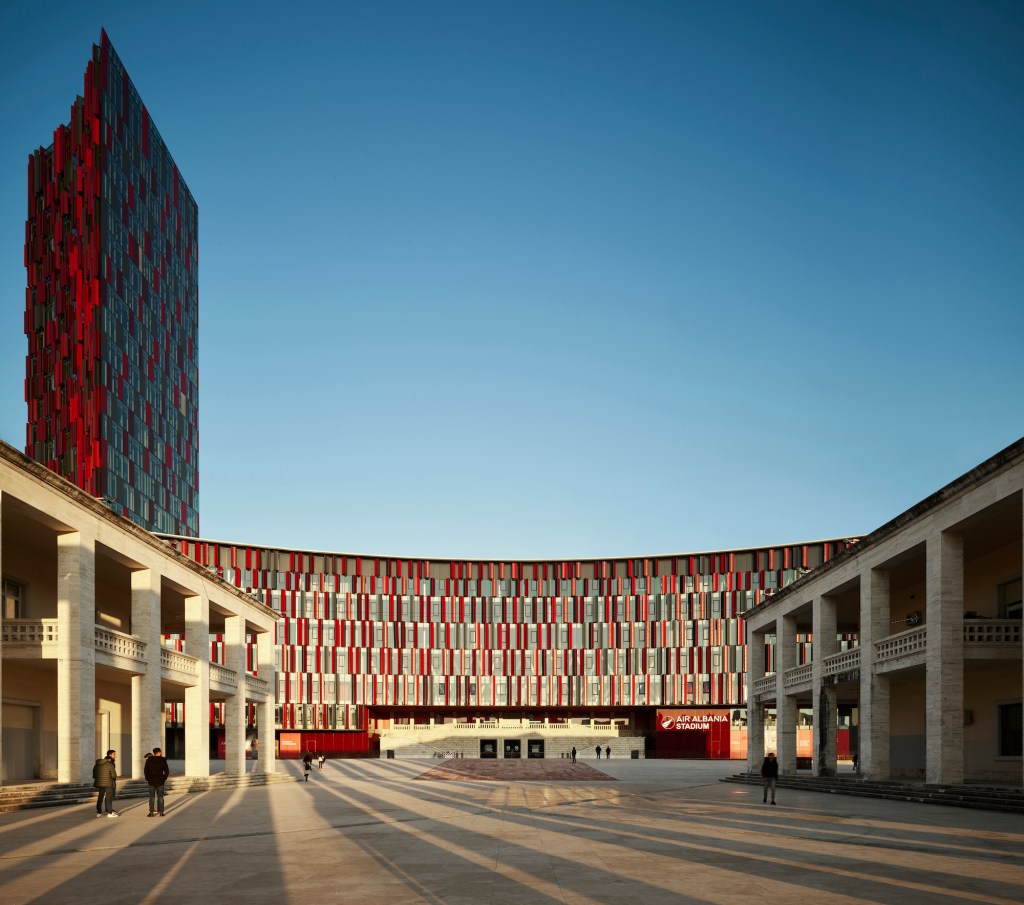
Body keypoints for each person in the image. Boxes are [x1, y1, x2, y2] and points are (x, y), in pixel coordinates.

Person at [145, 747, 170, 816]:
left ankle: (151, 813)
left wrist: (148, 778)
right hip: (160, 781)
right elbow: (167, 771)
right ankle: (161, 812)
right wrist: (164, 778)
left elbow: (146, 771)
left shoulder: (149, 760)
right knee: (160, 797)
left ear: (154, 753)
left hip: (151, 781)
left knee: (152, 797)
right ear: (159, 752)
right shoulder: (163, 760)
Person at [93, 750, 118, 817]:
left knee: (100, 797)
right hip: (109, 783)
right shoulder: (110, 764)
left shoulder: (97, 764)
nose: (115, 756)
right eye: (114, 754)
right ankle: (109, 813)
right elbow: (114, 775)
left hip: (100, 783)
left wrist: (100, 779)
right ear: (109, 756)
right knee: (109, 798)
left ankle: (99, 812)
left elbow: (94, 775)